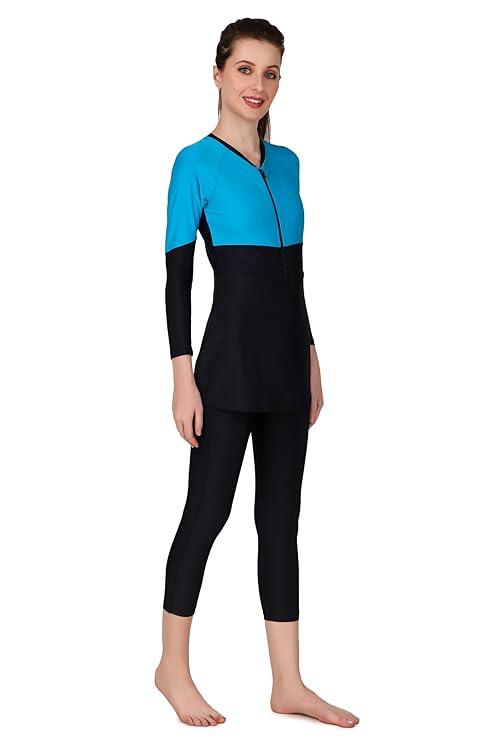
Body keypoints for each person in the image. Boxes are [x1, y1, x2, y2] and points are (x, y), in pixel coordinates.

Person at [154, 17, 359, 730]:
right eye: (245, 69)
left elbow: (293, 275)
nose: (258, 84)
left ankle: (288, 683)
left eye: (270, 72)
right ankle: (172, 668)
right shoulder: (194, 163)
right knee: (206, 513)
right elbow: (177, 278)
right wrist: (182, 375)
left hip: (285, 366)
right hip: (226, 367)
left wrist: (311, 352)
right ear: (218, 74)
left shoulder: (289, 163)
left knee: (280, 522)